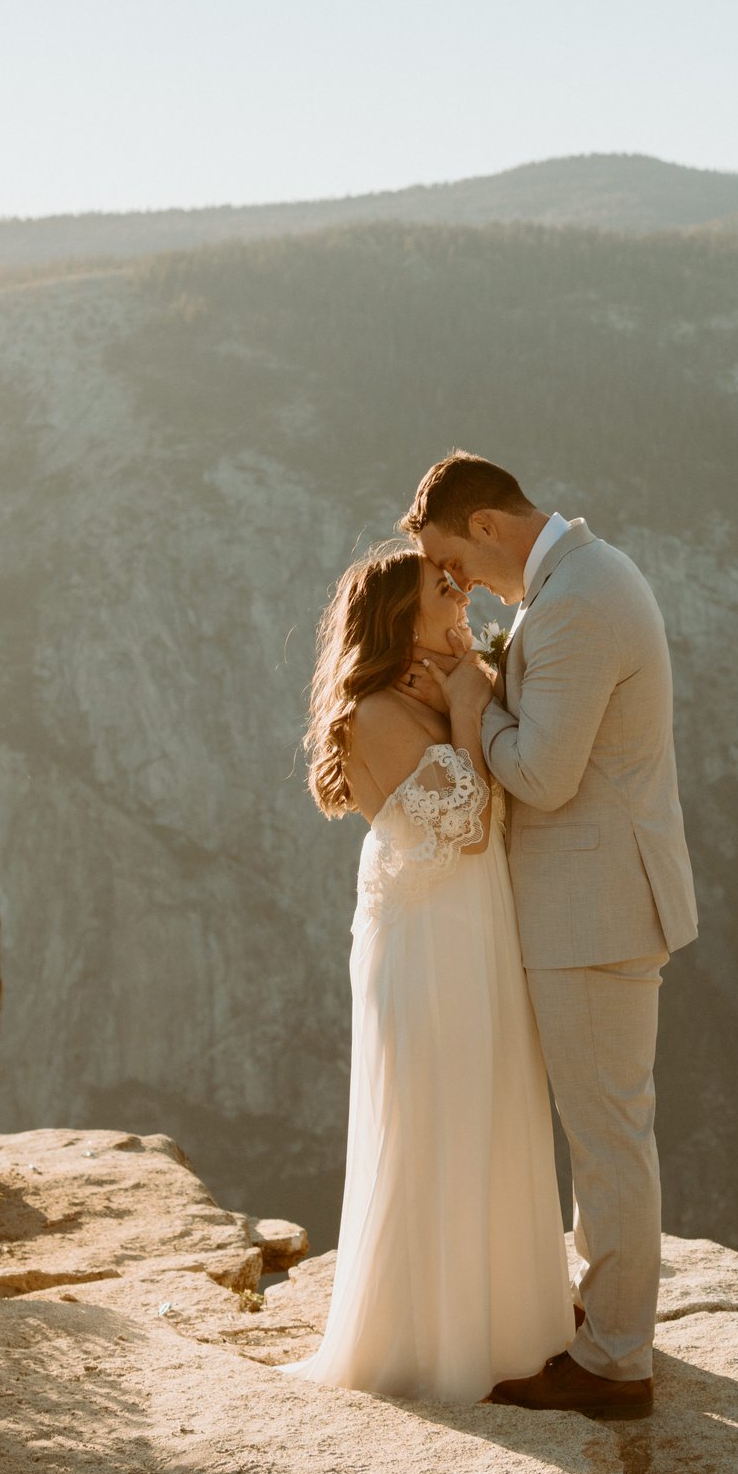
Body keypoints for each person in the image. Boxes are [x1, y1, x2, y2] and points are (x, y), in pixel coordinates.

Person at [403, 451, 698, 1422]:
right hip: (592, 902)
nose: (461, 584)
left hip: (594, 908)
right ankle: (603, 1315)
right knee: (603, 1127)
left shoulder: (575, 599)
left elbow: (541, 773)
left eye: (456, 559)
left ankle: (615, 1361)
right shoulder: (580, 580)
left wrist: (467, 705)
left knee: (610, 1136)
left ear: (488, 523)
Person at [279, 541, 574, 1403]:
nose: (458, 590)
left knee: (492, 1108)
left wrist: (462, 686)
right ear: (401, 620)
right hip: (430, 949)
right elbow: (473, 822)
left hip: (472, 933)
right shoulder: (373, 710)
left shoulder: (442, 682)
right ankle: (433, 1344)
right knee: (439, 1120)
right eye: (437, 587)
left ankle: (509, 1319)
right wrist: (460, 696)